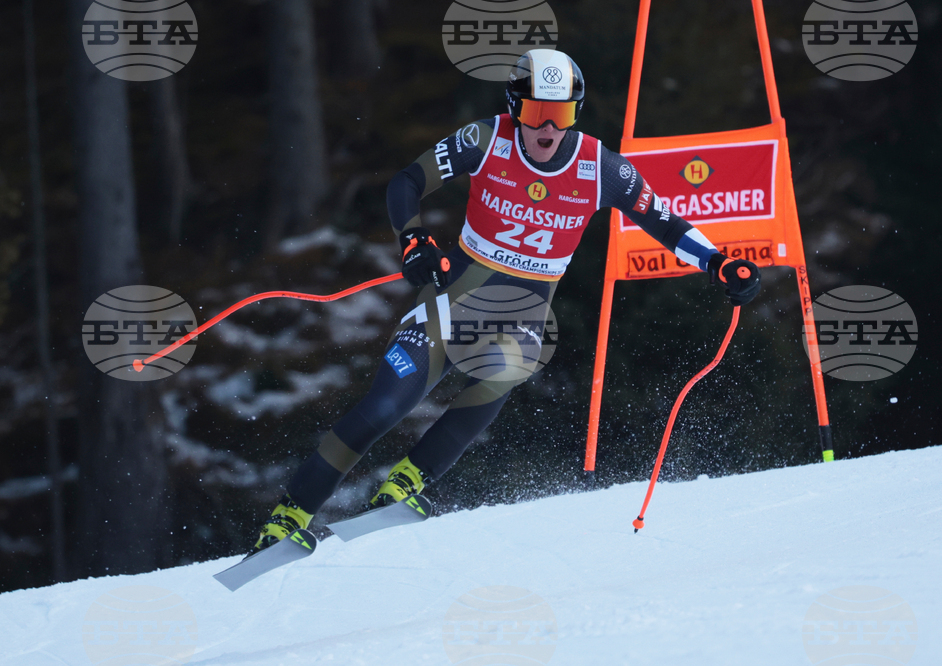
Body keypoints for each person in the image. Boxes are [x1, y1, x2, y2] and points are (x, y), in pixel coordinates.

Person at [250, 49, 761, 553]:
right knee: (386, 405)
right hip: (454, 302)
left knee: (502, 373)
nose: (547, 128)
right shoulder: (487, 139)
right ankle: (290, 513)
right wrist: (412, 238)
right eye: (537, 112)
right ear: (515, 106)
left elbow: (663, 221)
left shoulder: (600, 167)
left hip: (520, 319)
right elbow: (408, 181)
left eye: (560, 115)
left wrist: (718, 261)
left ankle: (405, 483)